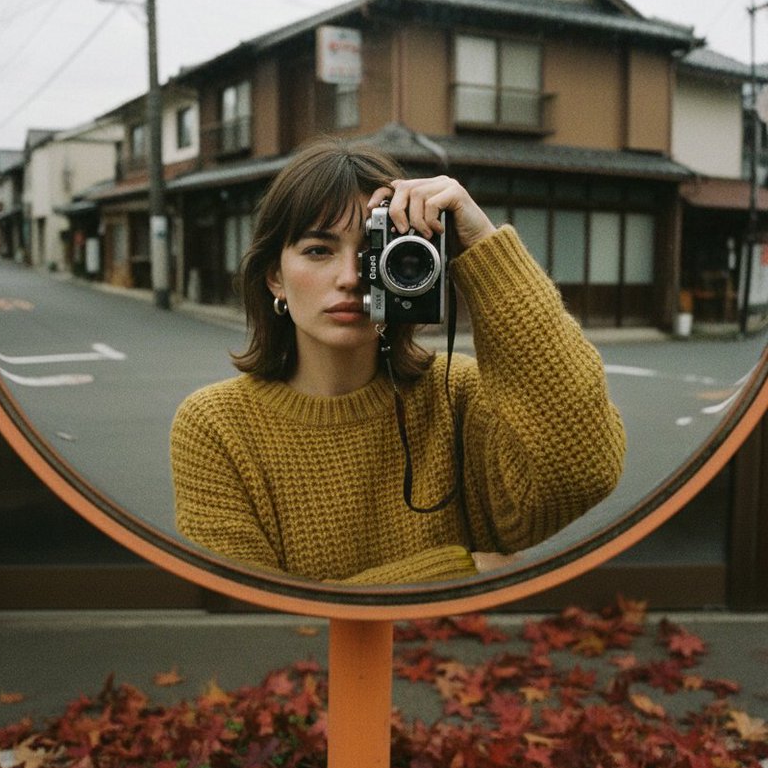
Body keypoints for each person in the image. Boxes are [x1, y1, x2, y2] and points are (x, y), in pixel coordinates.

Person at [170, 139, 625, 585]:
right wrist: (456, 571)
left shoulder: (455, 393)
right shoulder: (216, 426)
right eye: (318, 250)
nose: (350, 278)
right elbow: (253, 613)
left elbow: (581, 472)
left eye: (374, 253)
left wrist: (483, 246)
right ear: (275, 278)